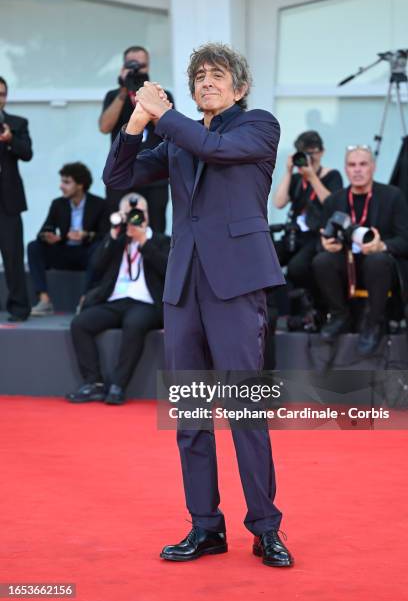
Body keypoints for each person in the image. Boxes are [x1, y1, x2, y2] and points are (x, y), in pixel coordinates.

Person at [103, 42, 293, 567]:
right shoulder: (178, 140)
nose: (207, 82)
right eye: (199, 77)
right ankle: (205, 527)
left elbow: (218, 151)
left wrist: (165, 115)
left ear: (240, 86)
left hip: (235, 282)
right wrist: (137, 123)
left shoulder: (258, 125)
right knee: (189, 413)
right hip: (183, 286)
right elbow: (117, 180)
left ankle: (265, 528)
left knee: (243, 409)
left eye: (217, 75)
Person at [66, 194, 169, 405]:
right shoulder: (116, 240)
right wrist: (113, 235)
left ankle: (118, 385)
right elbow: (96, 266)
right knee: (80, 323)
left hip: (147, 303)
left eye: (139, 212)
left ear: (148, 214)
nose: (134, 218)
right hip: (115, 300)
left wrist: (143, 242)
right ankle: (93, 383)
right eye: (129, 213)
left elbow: (169, 270)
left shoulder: (162, 241)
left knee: (134, 323)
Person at [313, 145, 408, 356]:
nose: (357, 170)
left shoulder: (393, 196)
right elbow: (319, 240)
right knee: (322, 260)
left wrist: (382, 245)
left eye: (363, 164)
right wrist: (326, 244)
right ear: (345, 169)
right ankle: (340, 315)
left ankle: (373, 322)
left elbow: (405, 239)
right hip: (346, 265)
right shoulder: (334, 200)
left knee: (378, 260)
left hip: (380, 269)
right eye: (352, 165)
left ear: (373, 168)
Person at [99, 45, 174, 232]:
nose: (136, 70)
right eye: (131, 65)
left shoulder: (161, 95)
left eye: (141, 66)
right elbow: (104, 127)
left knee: (155, 230)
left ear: (148, 67)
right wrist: (124, 90)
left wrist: (151, 102)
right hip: (122, 173)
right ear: (123, 67)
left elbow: (170, 131)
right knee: (119, 229)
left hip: (155, 177)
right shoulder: (113, 96)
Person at [27, 163, 108, 316]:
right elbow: (44, 230)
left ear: (80, 185)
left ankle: (85, 301)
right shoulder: (58, 204)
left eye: (66, 182)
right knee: (34, 246)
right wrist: (48, 236)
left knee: (98, 248)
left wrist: (85, 235)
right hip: (64, 251)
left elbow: (106, 236)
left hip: (87, 253)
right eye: (61, 181)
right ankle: (44, 301)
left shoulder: (99, 204)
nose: (61, 186)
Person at [272, 130, 343, 290]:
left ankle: (307, 303)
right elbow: (279, 203)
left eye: (312, 153)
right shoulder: (297, 179)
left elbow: (332, 204)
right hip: (294, 234)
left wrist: (312, 177)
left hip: (317, 235)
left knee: (297, 268)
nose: (308, 158)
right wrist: (289, 172)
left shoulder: (332, 175)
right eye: (304, 154)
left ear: (321, 152)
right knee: (267, 260)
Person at [0, 76, 32, 322]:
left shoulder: (17, 123)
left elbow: (27, 153)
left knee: (12, 256)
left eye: (2, 94)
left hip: (7, 202)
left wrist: (11, 140)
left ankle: (19, 307)